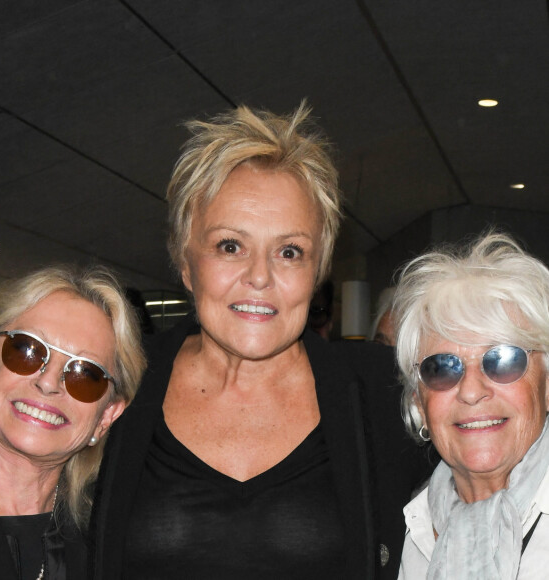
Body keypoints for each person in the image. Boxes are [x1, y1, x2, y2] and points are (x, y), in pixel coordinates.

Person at [90, 103, 430, 579]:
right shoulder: (118, 382)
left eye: (290, 252)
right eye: (231, 246)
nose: (259, 277)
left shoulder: (383, 393)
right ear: (185, 263)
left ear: (316, 273)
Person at [0, 265, 145, 580]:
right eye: (26, 349)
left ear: (106, 416)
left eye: (85, 374)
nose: (49, 383)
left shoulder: (118, 546)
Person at [394, 232, 549, 579]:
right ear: (418, 400)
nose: (471, 391)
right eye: (442, 368)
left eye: (503, 360)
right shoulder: (398, 531)